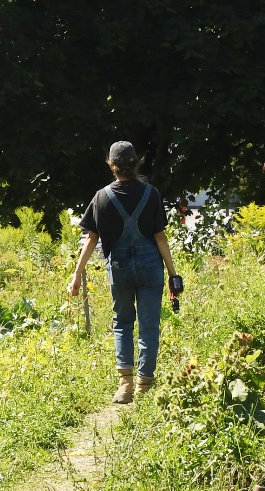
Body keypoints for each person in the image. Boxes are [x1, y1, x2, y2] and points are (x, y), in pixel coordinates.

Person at [67, 141, 179, 404]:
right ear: (137, 163)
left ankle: (125, 386)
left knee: (122, 323)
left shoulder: (101, 197)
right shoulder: (151, 194)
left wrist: (76, 275)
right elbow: (160, 237)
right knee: (149, 326)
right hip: (151, 268)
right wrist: (173, 274)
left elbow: (91, 240)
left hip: (119, 270)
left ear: (112, 165)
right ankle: (144, 384)